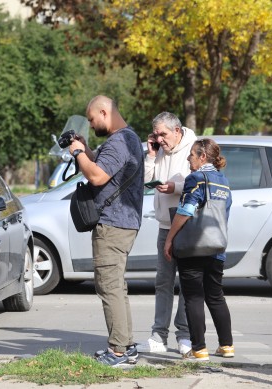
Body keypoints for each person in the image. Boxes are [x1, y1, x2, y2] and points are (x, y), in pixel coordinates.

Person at [69, 95, 144, 367]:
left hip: (113, 223)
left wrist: (78, 154)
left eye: (91, 119)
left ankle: (119, 352)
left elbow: (97, 176)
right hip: (122, 222)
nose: (91, 124)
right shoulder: (126, 139)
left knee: (109, 287)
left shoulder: (119, 141)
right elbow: (101, 166)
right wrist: (86, 149)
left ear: (104, 112)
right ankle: (127, 345)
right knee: (117, 288)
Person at [163, 138, 234, 361]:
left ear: (203, 156)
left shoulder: (196, 179)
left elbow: (185, 210)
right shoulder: (223, 181)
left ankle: (199, 348)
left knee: (193, 297)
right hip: (216, 248)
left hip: (194, 248)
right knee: (215, 296)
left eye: (192, 154)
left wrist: (169, 239)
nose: (188, 157)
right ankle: (227, 345)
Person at [138, 112, 197, 356]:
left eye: (164, 134)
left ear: (177, 130)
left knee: (186, 282)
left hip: (186, 224)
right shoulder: (158, 150)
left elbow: (199, 182)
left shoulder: (193, 148)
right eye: (156, 134)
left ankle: (184, 335)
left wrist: (175, 187)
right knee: (163, 281)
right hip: (164, 224)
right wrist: (151, 155)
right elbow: (144, 180)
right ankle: (158, 336)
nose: (160, 139)